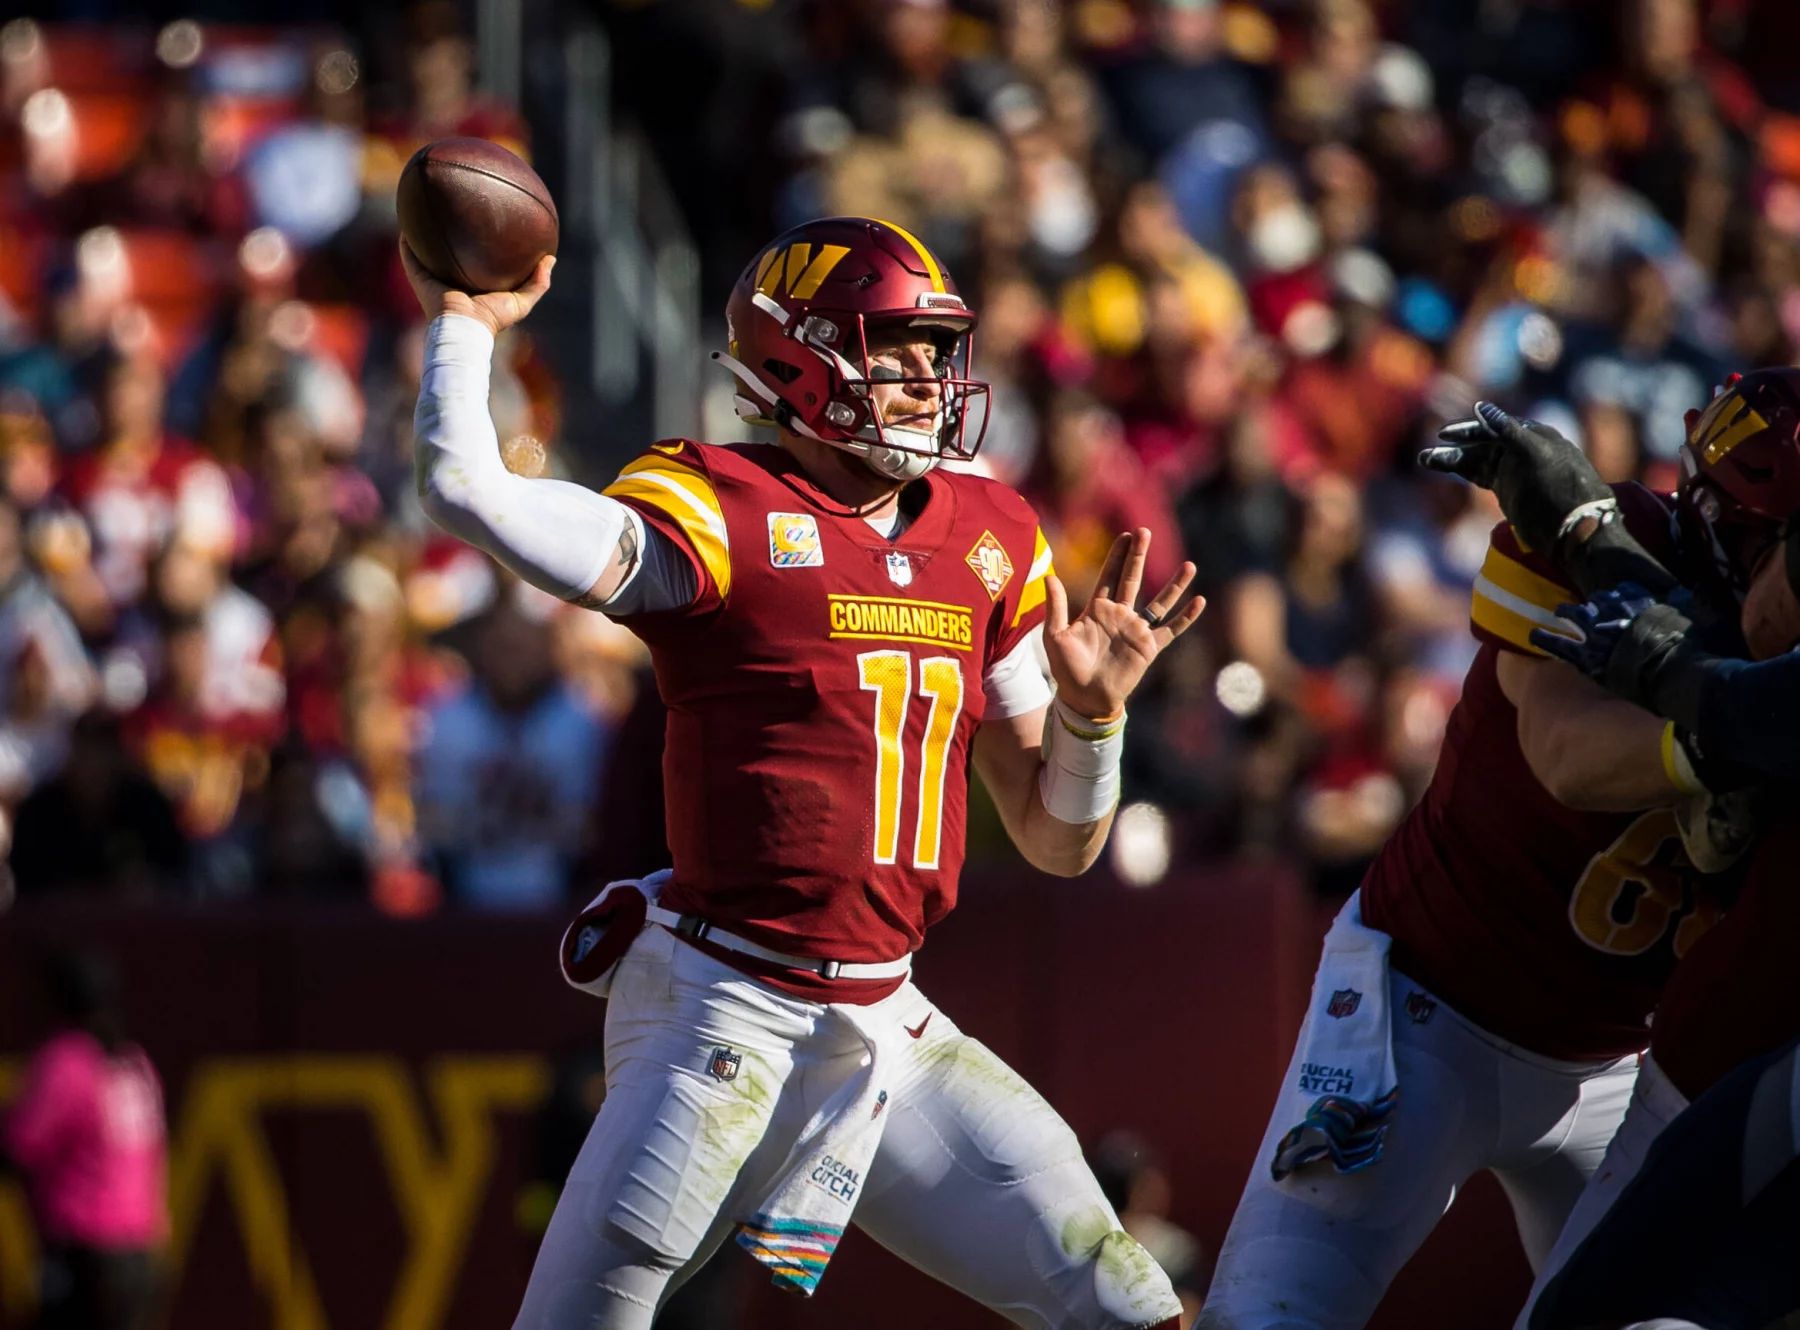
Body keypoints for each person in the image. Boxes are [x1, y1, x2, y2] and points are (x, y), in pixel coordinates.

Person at [405, 215, 1201, 1330]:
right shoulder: (719, 507)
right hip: (721, 1010)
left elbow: (1059, 842)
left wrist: (1093, 716)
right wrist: (462, 323)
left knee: (1127, 1302)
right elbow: (464, 489)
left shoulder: (991, 535)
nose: (930, 380)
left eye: (937, 351)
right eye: (898, 349)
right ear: (802, 355)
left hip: (888, 1023)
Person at [1199, 397, 1739, 1328]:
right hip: (1427, 1007)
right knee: (1270, 1315)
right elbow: (1566, 753)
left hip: (1621, 1063)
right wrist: (1736, 731)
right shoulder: (1600, 531)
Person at [1421, 370, 1800, 1328]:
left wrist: (1592, 537)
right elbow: (1572, 752)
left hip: (1713, 1063)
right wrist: (1598, 537)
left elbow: (1756, 703)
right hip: (1467, 1003)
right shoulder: (1671, 540)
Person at [2, 952, 167, 1330]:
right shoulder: (133, 1061)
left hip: (85, 1255)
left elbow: (18, 1148)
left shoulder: (67, 1061)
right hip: (140, 1252)